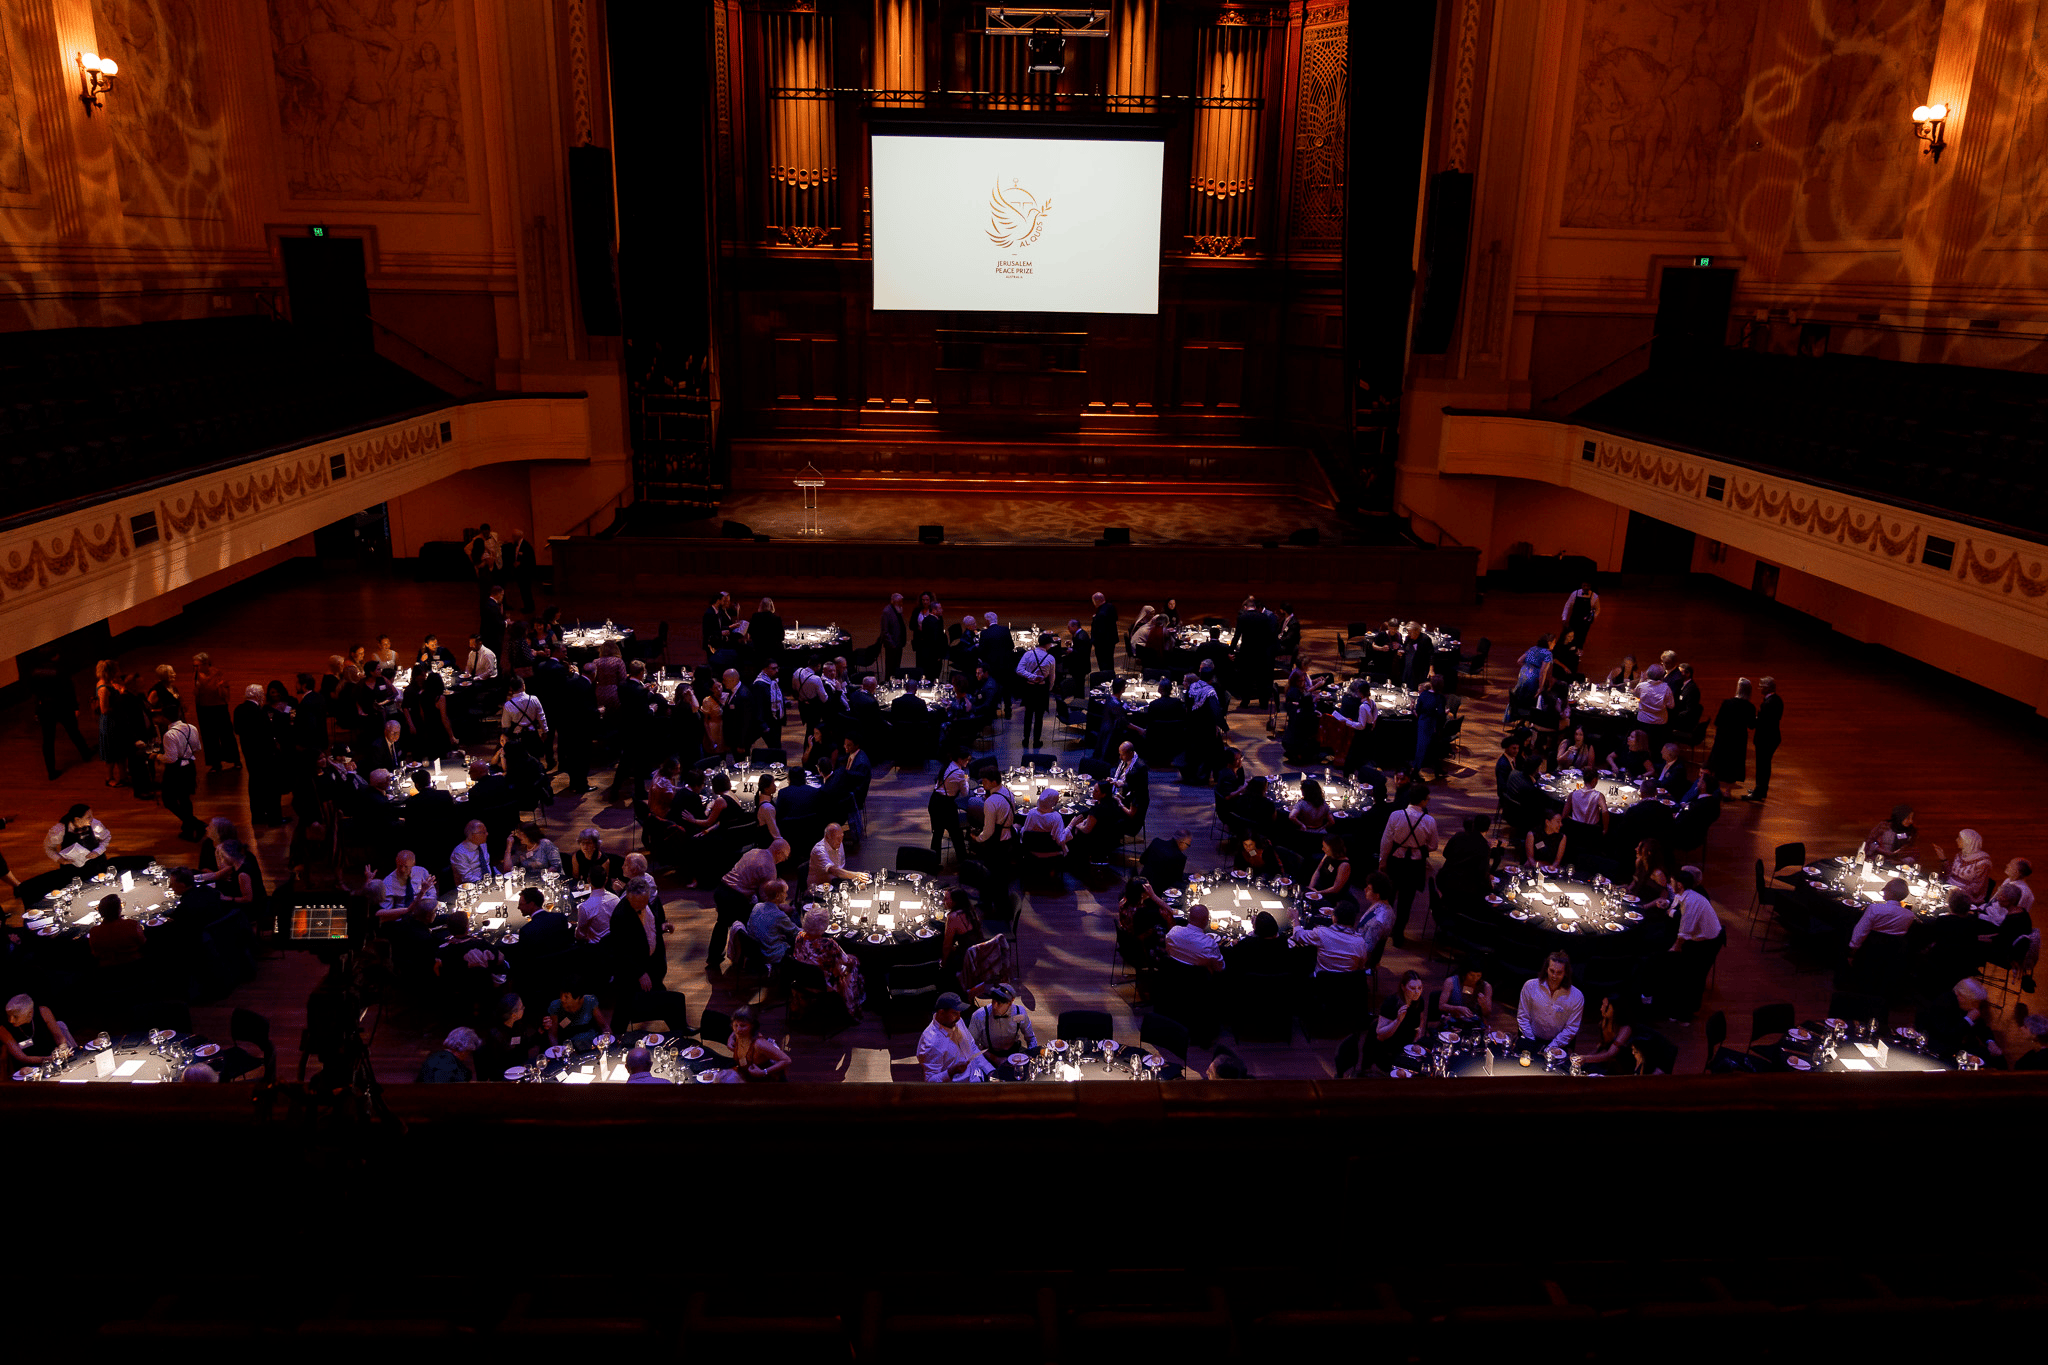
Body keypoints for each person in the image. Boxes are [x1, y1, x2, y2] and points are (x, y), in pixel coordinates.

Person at [1378, 783, 1437, 944]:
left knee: (1388, 899)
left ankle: (1383, 931)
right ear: (1423, 801)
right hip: (1414, 866)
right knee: (1406, 902)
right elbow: (1433, 846)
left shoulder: (1396, 815)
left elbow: (1386, 842)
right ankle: (1398, 935)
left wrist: (1382, 861)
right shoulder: (1429, 821)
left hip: (1395, 862)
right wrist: (1418, 845)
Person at [1663, 868, 1723, 1018]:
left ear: (1680, 885)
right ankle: (1678, 1008)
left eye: (1672, 882)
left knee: (1694, 977)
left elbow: (1685, 931)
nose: (1669, 885)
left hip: (1708, 943)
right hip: (1698, 939)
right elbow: (1675, 907)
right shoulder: (1683, 895)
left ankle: (1686, 1015)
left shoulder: (1691, 901)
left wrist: (1674, 948)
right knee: (1686, 975)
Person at [29, 649, 94, 781]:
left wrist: (37, 710)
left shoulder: (35, 672)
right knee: (73, 731)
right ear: (55, 656)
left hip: (45, 709)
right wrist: (75, 706)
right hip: (62, 706)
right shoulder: (59, 671)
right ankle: (85, 754)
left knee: (48, 740)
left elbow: (35, 693)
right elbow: (68, 690)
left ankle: (51, 771)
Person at [794, 908, 865, 1020]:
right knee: (854, 961)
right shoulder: (828, 944)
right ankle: (853, 1005)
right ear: (823, 926)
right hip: (824, 983)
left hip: (802, 978)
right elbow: (847, 962)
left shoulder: (799, 936)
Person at [1517, 951, 1584, 1048]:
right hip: (1530, 1038)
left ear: (1565, 973)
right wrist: (1532, 1041)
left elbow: (1571, 1028)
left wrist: (1551, 1047)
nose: (1554, 976)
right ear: (1546, 969)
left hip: (1557, 1043)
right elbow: (1523, 1017)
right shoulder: (1530, 986)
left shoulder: (1577, 997)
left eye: (1559, 972)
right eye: (1552, 971)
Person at [918, 992, 990, 1082]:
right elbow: (930, 1081)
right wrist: (951, 1072)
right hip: (959, 1089)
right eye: (955, 1013)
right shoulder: (931, 1042)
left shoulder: (956, 1021)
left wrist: (990, 1071)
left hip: (977, 1076)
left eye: (959, 1013)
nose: (959, 1017)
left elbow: (972, 1047)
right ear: (941, 1012)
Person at [1293, 901, 1369, 974]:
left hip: (1322, 981)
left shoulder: (1322, 933)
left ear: (1334, 918)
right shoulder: (1360, 942)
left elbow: (1298, 935)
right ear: (1354, 921)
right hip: (1347, 985)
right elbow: (1360, 967)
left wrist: (1295, 918)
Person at [1, 994, 77, 1068]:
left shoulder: (43, 1012)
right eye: (8, 1015)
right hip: (29, 1069)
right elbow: (22, 1057)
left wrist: (62, 1049)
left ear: (30, 1012)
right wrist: (48, 1059)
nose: (11, 1020)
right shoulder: (4, 1029)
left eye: (15, 1016)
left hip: (55, 1061)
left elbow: (59, 1037)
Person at [1705, 679, 1756, 786]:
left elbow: (1717, 721)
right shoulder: (1750, 707)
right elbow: (1751, 726)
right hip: (1739, 740)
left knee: (1719, 760)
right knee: (1733, 764)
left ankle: (1715, 789)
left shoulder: (1727, 703)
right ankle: (1728, 791)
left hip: (1723, 737)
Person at [1374, 970, 1429, 1069]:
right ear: (1403, 987)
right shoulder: (1391, 1003)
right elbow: (1380, 1036)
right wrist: (1398, 1021)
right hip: (1389, 1050)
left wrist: (1417, 1036)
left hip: (1408, 1047)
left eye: (1420, 988)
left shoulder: (1419, 1001)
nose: (1417, 992)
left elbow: (1421, 1021)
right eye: (1412, 988)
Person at [967, 984, 1037, 1058]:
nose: (994, 1006)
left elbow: (1031, 1038)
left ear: (1010, 1002)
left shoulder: (1019, 1012)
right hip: (989, 1055)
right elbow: (971, 1046)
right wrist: (993, 1058)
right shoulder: (979, 1015)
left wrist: (1032, 1055)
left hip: (1014, 1052)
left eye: (999, 1003)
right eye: (993, 1000)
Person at [1014, 632, 1058, 748]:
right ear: (1047, 644)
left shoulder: (1028, 654)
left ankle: (1025, 739)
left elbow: (1019, 670)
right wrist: (1048, 688)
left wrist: (1032, 677)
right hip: (1042, 689)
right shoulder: (1051, 658)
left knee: (1028, 715)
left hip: (1029, 688)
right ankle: (1036, 741)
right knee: (1039, 717)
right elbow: (1052, 677)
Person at [727, 1004, 791, 1082]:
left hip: (763, 1082)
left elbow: (787, 1060)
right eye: (735, 1025)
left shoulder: (759, 1044)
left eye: (743, 1026)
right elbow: (736, 1030)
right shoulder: (739, 1034)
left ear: (752, 1026)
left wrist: (763, 1072)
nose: (738, 1030)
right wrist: (730, 1039)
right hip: (746, 1076)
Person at [743, 881, 798, 971]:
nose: (786, 895)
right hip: (769, 954)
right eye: (784, 893)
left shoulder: (757, 906)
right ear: (777, 896)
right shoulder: (779, 915)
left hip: (755, 951)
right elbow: (796, 932)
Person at [1744, 676, 1783, 801]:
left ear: (1767, 688)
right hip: (1773, 738)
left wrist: (1751, 719)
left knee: (1762, 767)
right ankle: (1761, 790)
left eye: (1761, 686)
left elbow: (1760, 723)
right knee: (1765, 766)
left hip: (1765, 740)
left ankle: (1759, 792)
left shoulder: (1767, 704)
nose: (1759, 688)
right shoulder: (1778, 700)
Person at [44, 803, 112, 873]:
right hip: (72, 868)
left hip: (96, 864)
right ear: (77, 819)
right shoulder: (59, 830)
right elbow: (49, 848)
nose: (92, 819)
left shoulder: (95, 824)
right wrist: (60, 859)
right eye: (88, 817)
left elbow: (106, 838)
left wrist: (97, 851)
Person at [1578, 996, 1636, 1076]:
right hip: (1607, 1060)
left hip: (1621, 1063)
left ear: (1616, 1009)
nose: (1601, 1008)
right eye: (1602, 1005)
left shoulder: (1625, 1029)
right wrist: (1585, 1057)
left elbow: (1610, 1054)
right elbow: (1603, 1046)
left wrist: (1585, 1058)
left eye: (1606, 1006)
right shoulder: (1603, 1023)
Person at [540, 982, 607, 1049]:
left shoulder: (590, 1000)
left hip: (592, 1044)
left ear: (578, 998)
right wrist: (557, 1052)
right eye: (561, 995)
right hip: (569, 1047)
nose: (562, 999)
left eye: (566, 996)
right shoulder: (555, 1006)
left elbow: (604, 1026)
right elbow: (553, 1035)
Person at [1934, 829, 1994, 903]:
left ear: (1968, 841)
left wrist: (1956, 890)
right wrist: (1943, 858)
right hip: (1949, 890)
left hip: (1964, 898)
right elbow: (1951, 874)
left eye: (1959, 838)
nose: (1956, 840)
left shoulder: (1983, 862)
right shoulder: (1960, 855)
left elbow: (1977, 888)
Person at [1165, 904, 1225, 973]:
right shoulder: (1209, 945)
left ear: (1189, 918)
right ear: (1206, 920)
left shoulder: (1173, 932)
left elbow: (1169, 952)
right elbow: (1220, 968)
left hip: (1173, 973)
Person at [809, 823, 868, 891]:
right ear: (827, 837)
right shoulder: (819, 850)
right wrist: (856, 875)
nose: (840, 841)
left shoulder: (838, 843)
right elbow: (834, 871)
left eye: (842, 837)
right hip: (819, 889)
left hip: (836, 882)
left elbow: (840, 868)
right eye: (837, 838)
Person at [1633, 664, 1673, 753]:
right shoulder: (1666, 688)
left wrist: (1641, 680)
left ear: (1648, 674)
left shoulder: (1642, 686)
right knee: (1656, 746)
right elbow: (1671, 705)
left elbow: (1635, 695)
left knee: (1642, 745)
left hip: (1643, 721)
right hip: (1659, 723)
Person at [1560, 581, 1600, 652]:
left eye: (1588, 586)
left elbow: (1597, 609)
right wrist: (1564, 618)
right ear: (1581, 585)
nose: (1586, 588)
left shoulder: (1595, 596)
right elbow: (1567, 605)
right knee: (1570, 635)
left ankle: (1578, 651)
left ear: (1590, 586)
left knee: (1582, 636)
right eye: (1584, 585)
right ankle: (1568, 650)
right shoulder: (1575, 593)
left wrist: (1592, 618)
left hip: (1585, 621)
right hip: (1574, 619)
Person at [879, 592, 907, 681]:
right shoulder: (887, 612)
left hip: (899, 644)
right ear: (894, 602)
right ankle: (889, 683)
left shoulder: (899, 609)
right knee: (890, 667)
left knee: (896, 666)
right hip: (891, 646)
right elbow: (885, 631)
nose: (901, 603)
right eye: (899, 602)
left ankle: (896, 682)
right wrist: (892, 644)